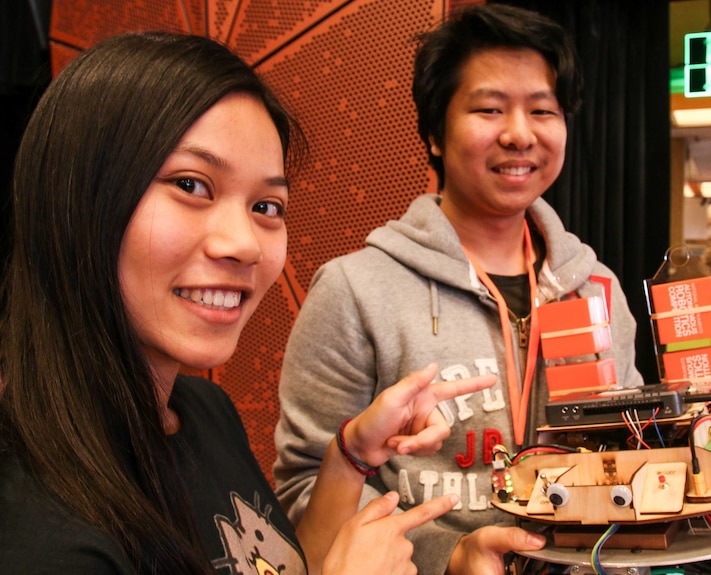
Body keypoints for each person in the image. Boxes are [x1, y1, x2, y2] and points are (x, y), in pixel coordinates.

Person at [0, 31, 495, 575]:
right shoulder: (33, 524)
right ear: (75, 199)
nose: (243, 244)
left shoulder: (203, 412)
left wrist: (351, 454)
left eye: (266, 204)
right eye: (191, 185)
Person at [273, 5, 644, 575]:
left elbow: (634, 443)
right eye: (489, 109)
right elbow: (304, 491)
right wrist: (447, 556)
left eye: (542, 110)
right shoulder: (354, 291)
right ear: (435, 135)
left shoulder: (597, 287)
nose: (519, 133)